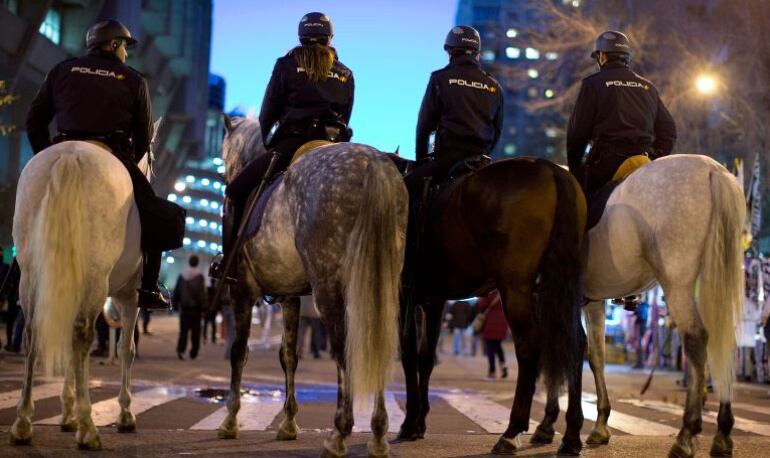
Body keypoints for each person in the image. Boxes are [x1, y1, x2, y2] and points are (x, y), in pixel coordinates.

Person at [19, 19, 181, 311]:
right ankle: (149, 287)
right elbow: (145, 136)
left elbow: (34, 122)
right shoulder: (133, 79)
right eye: (125, 47)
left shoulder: (62, 70)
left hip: (60, 147)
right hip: (113, 151)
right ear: (114, 44)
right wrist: (126, 166)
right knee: (157, 213)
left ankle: (19, 272)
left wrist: (46, 158)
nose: (127, 54)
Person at [210, 12, 354, 284]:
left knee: (234, 191)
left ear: (301, 37)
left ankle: (230, 265)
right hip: (332, 146)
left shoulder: (286, 66)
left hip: (292, 144)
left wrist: (270, 145)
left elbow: (267, 114)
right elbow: (346, 118)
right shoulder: (346, 73)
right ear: (329, 38)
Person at [567, 30, 677, 196]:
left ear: (602, 56)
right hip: (643, 161)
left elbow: (577, 133)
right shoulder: (648, 87)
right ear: (627, 57)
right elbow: (669, 130)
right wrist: (654, 159)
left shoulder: (593, 84)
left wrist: (575, 169)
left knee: (573, 205)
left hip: (606, 166)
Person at [405, 25, 503, 200]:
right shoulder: (494, 86)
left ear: (450, 51)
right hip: (481, 161)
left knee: (405, 189)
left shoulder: (440, 78)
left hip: (447, 159)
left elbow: (425, 126)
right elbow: (497, 130)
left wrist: (422, 160)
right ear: (477, 54)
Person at [174, 255, 207, 360]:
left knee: (183, 331)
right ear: (197, 263)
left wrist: (175, 305)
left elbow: (177, 292)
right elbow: (202, 294)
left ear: (189, 262)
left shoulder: (182, 276)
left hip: (184, 309)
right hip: (196, 310)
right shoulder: (200, 276)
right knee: (195, 333)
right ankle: (194, 352)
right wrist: (204, 307)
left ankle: (180, 349)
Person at [477, 290, 508, 380]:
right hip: (502, 323)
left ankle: (492, 372)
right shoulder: (503, 292)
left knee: (490, 349)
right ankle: (503, 366)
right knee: (498, 347)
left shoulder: (490, 292)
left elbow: (482, 306)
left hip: (490, 323)